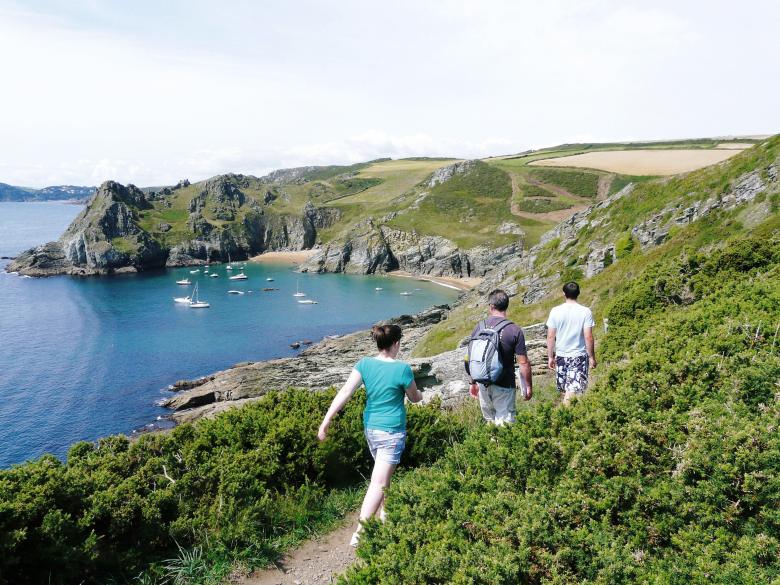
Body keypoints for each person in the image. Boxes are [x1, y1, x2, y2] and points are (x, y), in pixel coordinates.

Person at [317, 323, 422, 547]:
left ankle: (386, 513)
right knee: (379, 480)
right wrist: (420, 394)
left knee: (383, 474)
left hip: (371, 429)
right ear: (396, 343)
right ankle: (361, 531)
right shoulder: (402, 369)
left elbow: (346, 391)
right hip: (392, 431)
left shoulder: (364, 364)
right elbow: (414, 398)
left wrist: (326, 420)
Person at [465, 289, 532, 425]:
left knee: (490, 422)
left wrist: (473, 382)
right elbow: (523, 363)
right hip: (504, 385)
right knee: (505, 424)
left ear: (491, 306)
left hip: (483, 382)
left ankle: (491, 438)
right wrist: (528, 385)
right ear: (507, 305)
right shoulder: (514, 330)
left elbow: (470, 357)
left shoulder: (479, 327)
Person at [546, 281, 597, 404]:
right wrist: (591, 357)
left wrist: (550, 356)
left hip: (561, 356)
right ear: (578, 293)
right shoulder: (585, 312)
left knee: (567, 390)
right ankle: (564, 414)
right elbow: (588, 336)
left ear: (564, 293)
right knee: (573, 391)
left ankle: (566, 413)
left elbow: (551, 336)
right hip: (578, 356)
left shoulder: (555, 311)